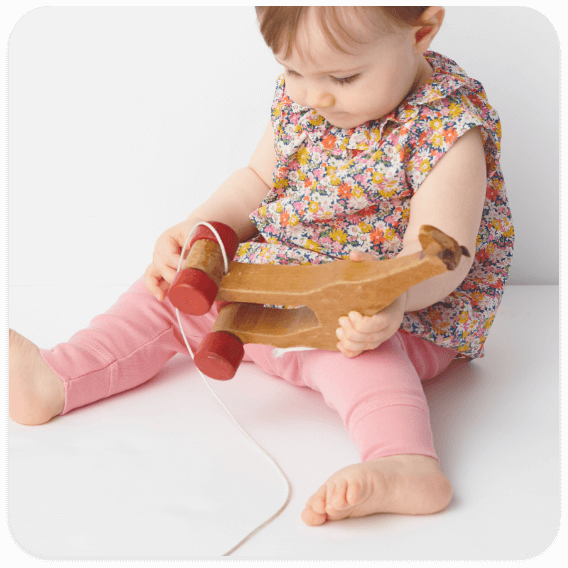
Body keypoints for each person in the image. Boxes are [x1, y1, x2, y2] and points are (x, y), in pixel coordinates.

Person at [9, 6, 514, 526]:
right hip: (276, 283)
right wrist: (198, 227)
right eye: (293, 70)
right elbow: (257, 180)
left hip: (391, 312)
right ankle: (58, 378)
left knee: (359, 352)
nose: (315, 96)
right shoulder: (307, 100)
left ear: (422, 32)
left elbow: (444, 258)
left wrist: (393, 299)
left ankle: (405, 462)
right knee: (162, 295)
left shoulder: (447, 129)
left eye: (343, 77)